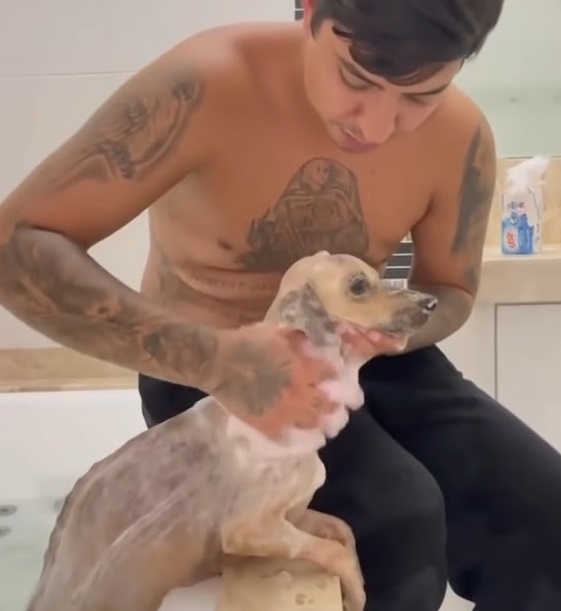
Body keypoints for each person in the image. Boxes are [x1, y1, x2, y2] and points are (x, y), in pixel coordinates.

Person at [2, 0, 561, 609]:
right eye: (355, 78)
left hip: (366, 357)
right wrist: (218, 361)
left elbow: (452, 290)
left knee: (544, 513)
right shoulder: (206, 86)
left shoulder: (460, 137)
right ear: (311, 9)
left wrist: (393, 332)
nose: (376, 127)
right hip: (209, 368)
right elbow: (16, 245)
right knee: (396, 521)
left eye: (420, 96)